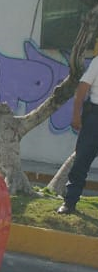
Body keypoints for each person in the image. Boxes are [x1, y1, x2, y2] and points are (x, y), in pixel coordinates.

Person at [59, 59, 98, 215]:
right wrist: (76, 114)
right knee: (82, 160)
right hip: (95, 117)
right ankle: (69, 202)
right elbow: (83, 88)